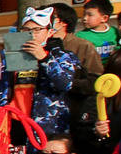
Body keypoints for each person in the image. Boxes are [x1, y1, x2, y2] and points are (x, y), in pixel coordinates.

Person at [21, 8, 82, 142]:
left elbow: (65, 84)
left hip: (51, 126)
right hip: (20, 122)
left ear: (49, 32)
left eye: (38, 29)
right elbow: (5, 90)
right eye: (26, 30)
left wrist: (43, 58)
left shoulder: (63, 56)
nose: (32, 34)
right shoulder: (13, 57)